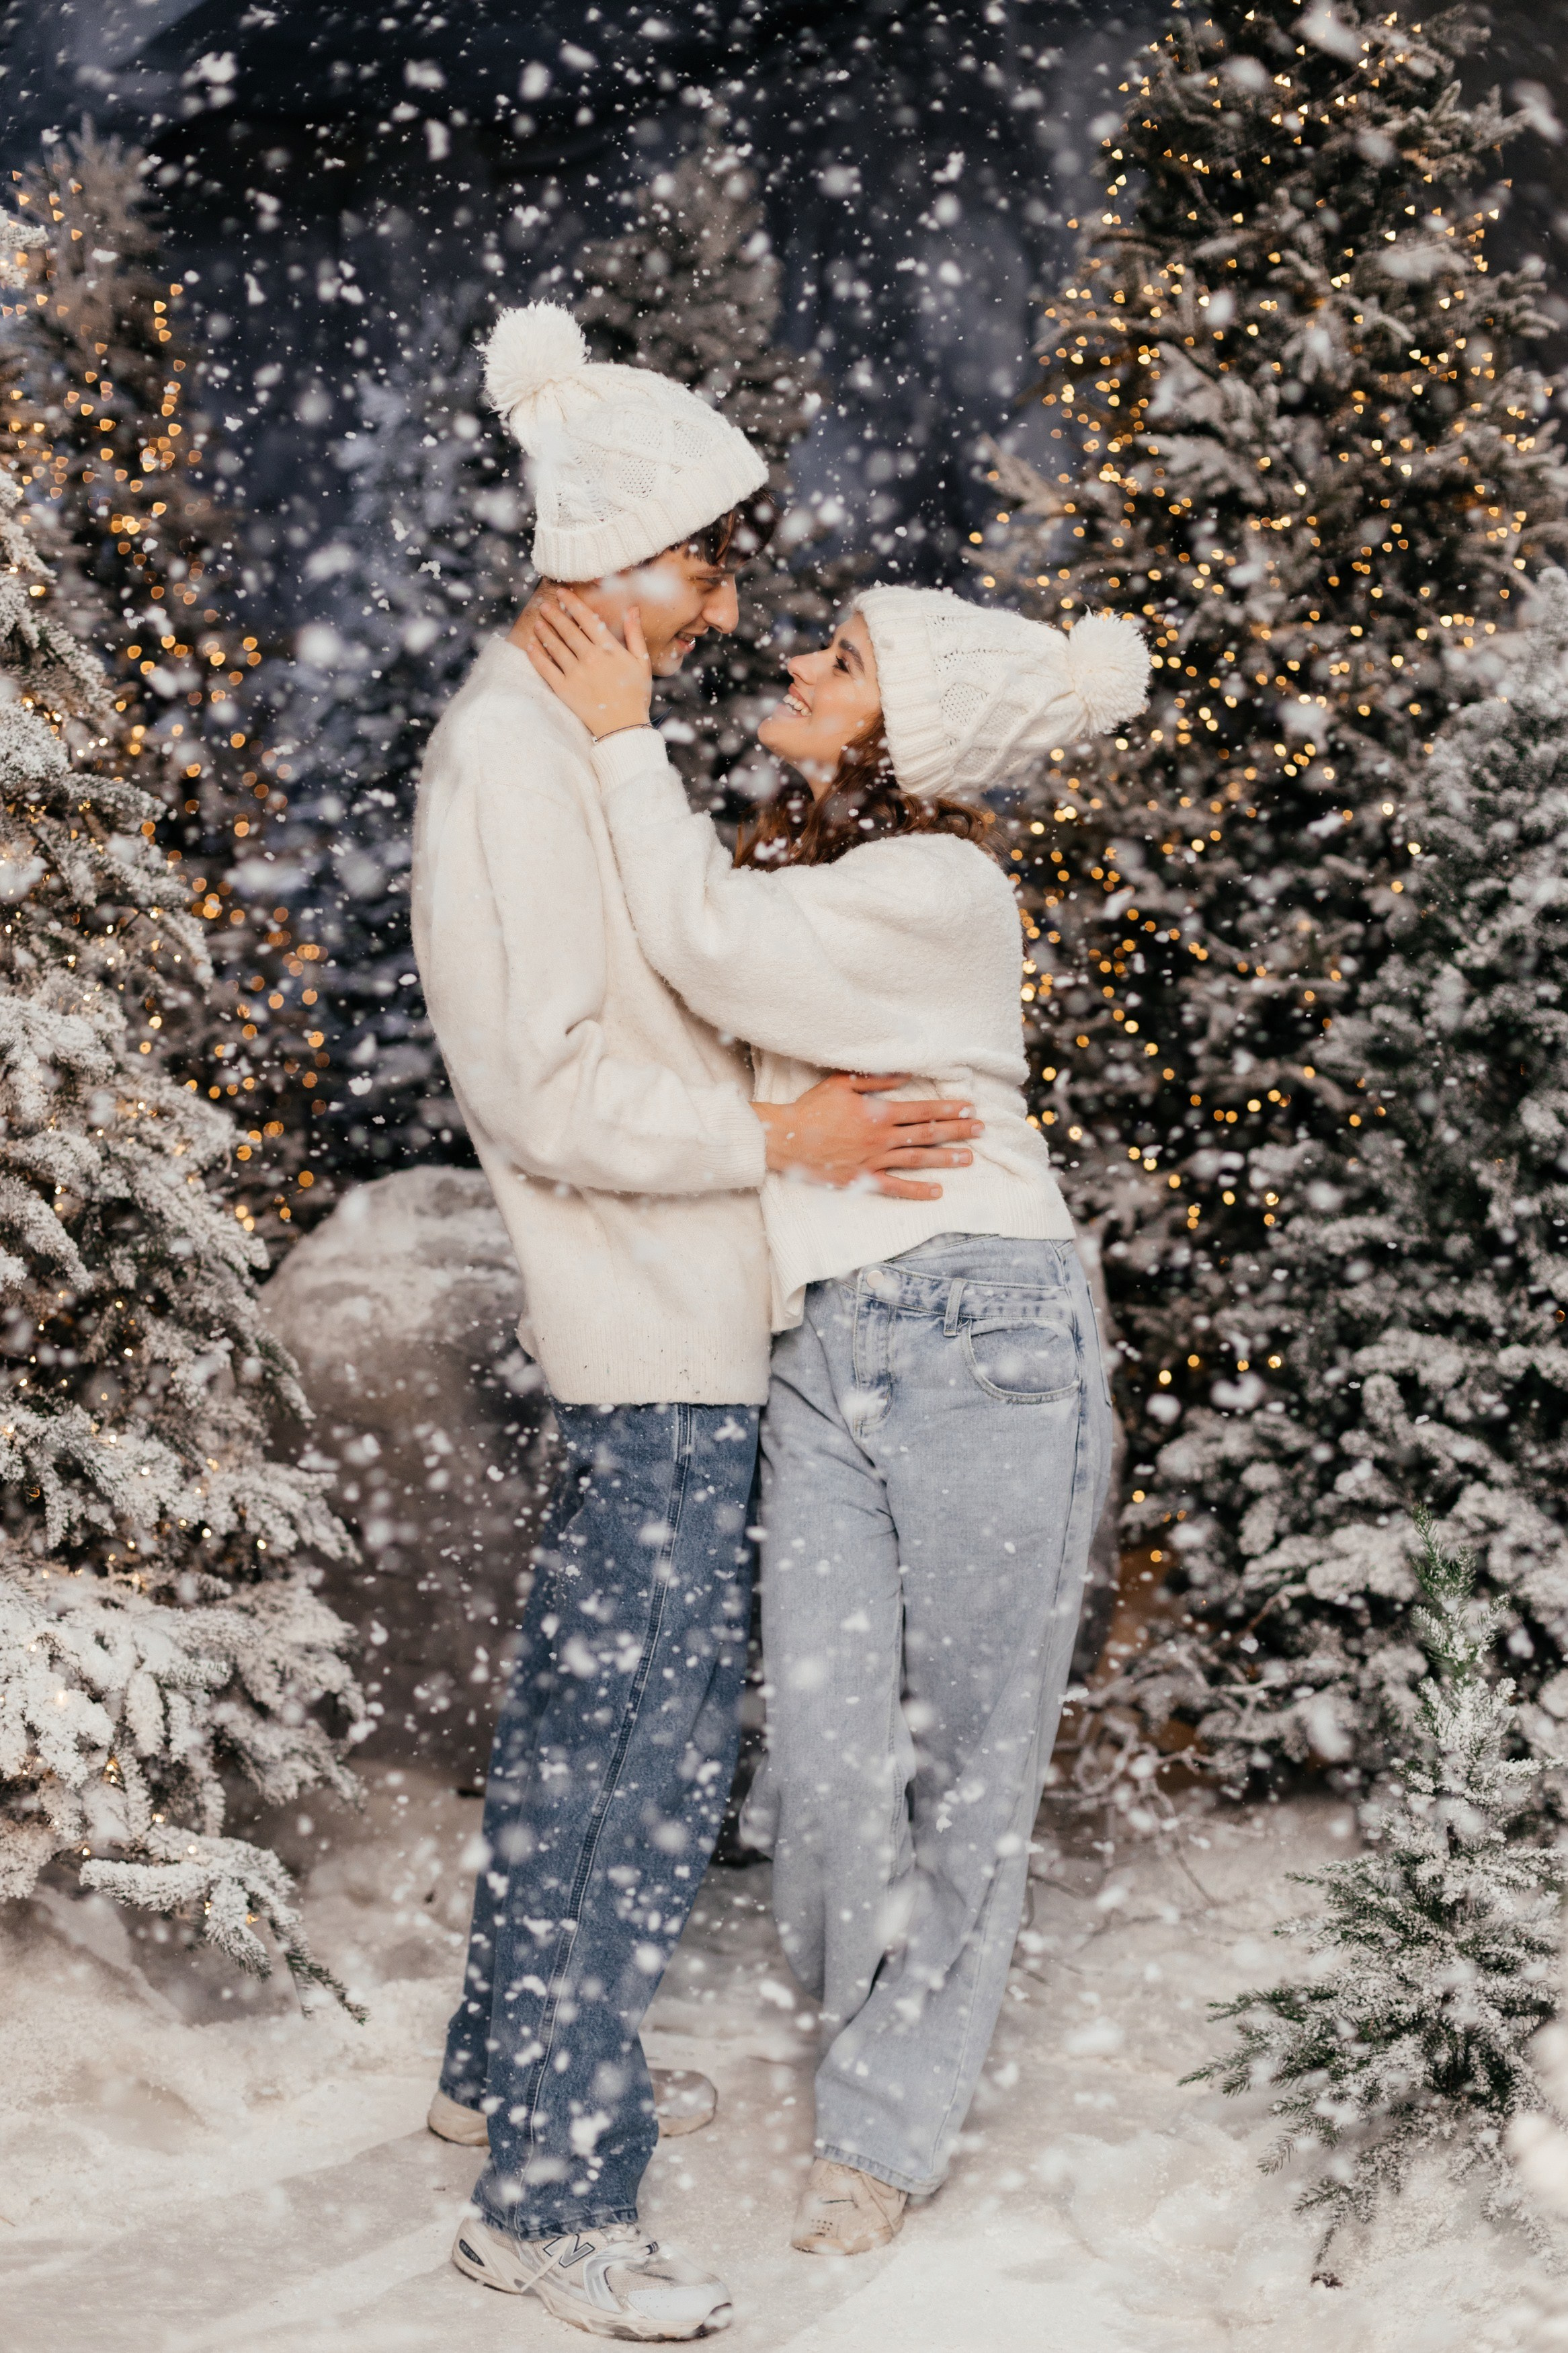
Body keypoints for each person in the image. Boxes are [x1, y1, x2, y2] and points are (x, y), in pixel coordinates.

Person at [411, 304, 981, 2341]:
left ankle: (504, 2079)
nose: (733, 592)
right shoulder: (512, 759)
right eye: (704, 555)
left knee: (592, 1727)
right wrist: (790, 1129)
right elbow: (544, 1087)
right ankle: (555, 2206)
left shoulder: (559, 746)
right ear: (607, 555)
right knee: (637, 1764)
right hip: (651, 1339)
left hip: (671, 1329)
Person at [526, 576, 1148, 2258]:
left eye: (848, 659)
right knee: (818, 1759)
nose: (803, 662)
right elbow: (689, 971)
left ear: (915, 726)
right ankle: (879, 2025)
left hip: (986, 1325)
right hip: (820, 1341)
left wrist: (618, 740)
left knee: (970, 1764)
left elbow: (705, 944)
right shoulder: (816, 868)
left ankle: (884, 2119)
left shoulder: (942, 884)